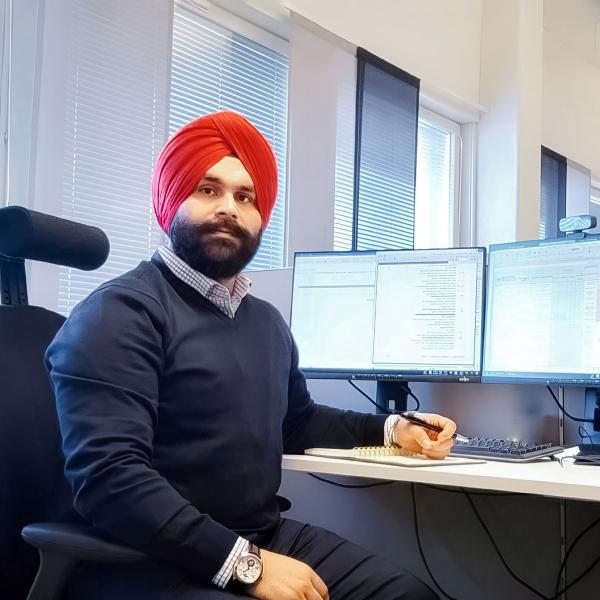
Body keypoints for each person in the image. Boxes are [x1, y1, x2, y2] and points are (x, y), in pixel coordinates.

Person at [46, 111, 457, 600]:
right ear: (171, 200)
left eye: (246, 197)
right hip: (146, 559)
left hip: (258, 536)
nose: (229, 208)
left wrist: (393, 430)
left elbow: (296, 422)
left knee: (408, 595)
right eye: (207, 190)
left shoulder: (265, 322)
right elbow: (108, 479)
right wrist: (245, 565)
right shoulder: (119, 313)